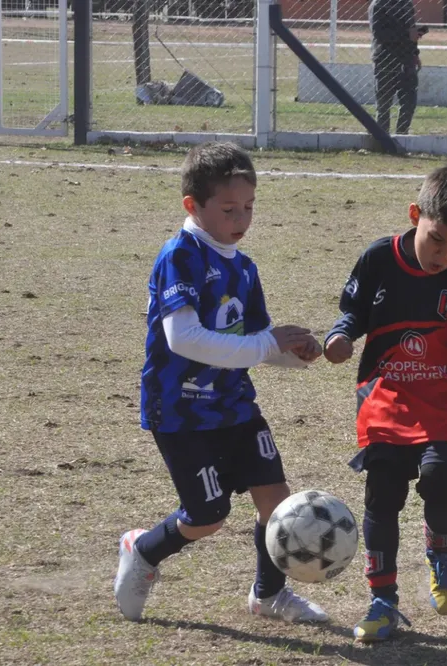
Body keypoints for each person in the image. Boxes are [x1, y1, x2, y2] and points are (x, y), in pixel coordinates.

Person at [113, 142, 329, 625]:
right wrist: (264, 344)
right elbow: (183, 338)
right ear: (193, 205)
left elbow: (253, 341)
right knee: (207, 517)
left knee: (276, 505)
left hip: (235, 404)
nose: (242, 218)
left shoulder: (244, 268)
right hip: (183, 411)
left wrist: (294, 354)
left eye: (249, 207)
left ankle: (268, 596)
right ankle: (143, 549)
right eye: (229, 209)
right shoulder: (180, 256)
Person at [323, 167, 447, 642]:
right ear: (415, 214)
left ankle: (440, 554)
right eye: (437, 239)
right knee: (383, 489)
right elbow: (352, 313)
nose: (445, 255)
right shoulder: (378, 259)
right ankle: (382, 602)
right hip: (388, 392)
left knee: (439, 476)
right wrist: (339, 336)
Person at [369, 0, 421, 135]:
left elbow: (412, 30)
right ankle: (382, 138)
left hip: (407, 59)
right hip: (385, 60)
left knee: (409, 103)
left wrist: (415, 53)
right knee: (383, 106)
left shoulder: (406, 4)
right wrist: (406, 35)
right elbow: (379, 34)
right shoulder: (378, 4)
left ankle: (402, 135)